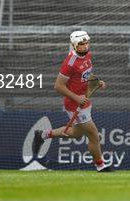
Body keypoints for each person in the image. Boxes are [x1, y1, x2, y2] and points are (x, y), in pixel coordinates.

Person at [32, 31, 112, 172]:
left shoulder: (88, 55)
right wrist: (77, 98)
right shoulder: (70, 63)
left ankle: (43, 134)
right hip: (74, 104)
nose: (85, 46)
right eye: (81, 44)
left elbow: (85, 75)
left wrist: (96, 82)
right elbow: (58, 86)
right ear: (74, 45)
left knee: (76, 134)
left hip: (84, 100)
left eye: (87, 43)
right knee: (93, 134)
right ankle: (100, 166)